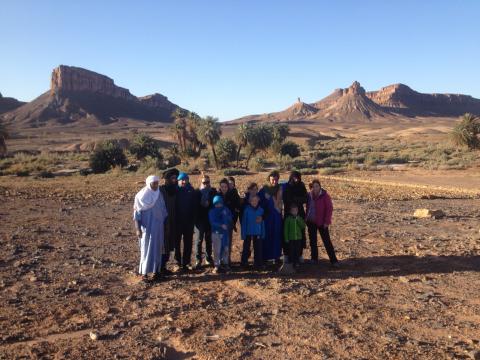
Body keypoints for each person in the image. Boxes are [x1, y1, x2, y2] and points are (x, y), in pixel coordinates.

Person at [133, 175, 168, 282]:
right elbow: (136, 213)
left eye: (157, 183)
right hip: (146, 229)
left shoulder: (159, 195)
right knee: (146, 250)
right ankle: (144, 274)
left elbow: (163, 210)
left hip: (158, 229)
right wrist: (137, 229)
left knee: (157, 249)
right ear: (149, 184)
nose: (156, 185)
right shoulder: (141, 196)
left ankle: (156, 272)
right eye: (154, 183)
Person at [305, 179, 339, 267]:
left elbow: (329, 209)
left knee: (327, 241)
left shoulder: (325, 196)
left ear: (320, 186)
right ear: (311, 187)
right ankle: (314, 259)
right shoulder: (309, 195)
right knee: (313, 241)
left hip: (322, 222)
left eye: (317, 186)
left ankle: (334, 260)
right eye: (313, 186)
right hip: (311, 221)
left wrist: (327, 222)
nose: (315, 188)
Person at [175, 172, 198, 271]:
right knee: (177, 243)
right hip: (178, 222)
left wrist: (193, 220)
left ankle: (186, 263)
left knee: (188, 243)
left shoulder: (191, 190)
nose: (184, 181)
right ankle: (177, 263)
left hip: (188, 222)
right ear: (178, 181)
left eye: (186, 179)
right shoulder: (175, 190)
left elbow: (195, 206)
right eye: (182, 180)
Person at [258, 170, 283, 263]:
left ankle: (276, 256)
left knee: (277, 235)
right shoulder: (264, 189)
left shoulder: (281, 188)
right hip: (267, 217)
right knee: (267, 236)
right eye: (273, 179)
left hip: (277, 216)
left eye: (276, 179)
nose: (274, 181)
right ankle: (266, 257)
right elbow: (258, 202)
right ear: (269, 179)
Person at [283, 171, 308, 261]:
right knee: (287, 232)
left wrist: (294, 199)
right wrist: (297, 200)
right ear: (291, 177)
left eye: (297, 177)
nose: (296, 179)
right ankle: (286, 254)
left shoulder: (301, 185)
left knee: (300, 233)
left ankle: (299, 254)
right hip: (288, 213)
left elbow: (305, 198)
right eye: (294, 177)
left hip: (300, 213)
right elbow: (286, 199)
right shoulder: (287, 186)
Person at [159, 168, 180, 275]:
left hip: (173, 221)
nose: (174, 180)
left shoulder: (176, 190)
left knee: (170, 245)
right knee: (162, 245)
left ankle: (163, 267)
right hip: (162, 222)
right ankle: (159, 267)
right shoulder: (160, 190)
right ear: (167, 179)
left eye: (176, 178)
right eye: (172, 178)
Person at [194, 174, 216, 268]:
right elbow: (194, 206)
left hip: (209, 219)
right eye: (204, 182)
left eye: (208, 182)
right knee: (199, 240)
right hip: (199, 219)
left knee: (208, 239)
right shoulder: (197, 192)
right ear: (201, 183)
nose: (206, 184)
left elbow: (216, 204)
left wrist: (209, 203)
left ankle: (208, 258)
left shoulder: (213, 192)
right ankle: (198, 259)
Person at [218, 178, 241, 264]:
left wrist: (232, 221)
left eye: (225, 186)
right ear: (220, 187)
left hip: (228, 222)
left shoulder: (232, 196)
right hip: (219, 223)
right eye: (222, 186)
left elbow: (236, 209)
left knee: (227, 241)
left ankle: (227, 260)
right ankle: (219, 260)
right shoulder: (217, 196)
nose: (224, 188)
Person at [209, 195, 233, 273]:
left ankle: (225, 263)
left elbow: (230, 217)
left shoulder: (226, 209)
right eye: (216, 203)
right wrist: (221, 225)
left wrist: (228, 220)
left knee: (225, 248)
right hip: (216, 233)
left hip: (225, 233)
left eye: (219, 203)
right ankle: (217, 265)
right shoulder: (212, 211)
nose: (218, 205)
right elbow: (212, 222)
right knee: (217, 250)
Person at [240, 194, 265, 268]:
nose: (254, 202)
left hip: (258, 232)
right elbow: (244, 222)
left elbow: (262, 223)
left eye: (256, 200)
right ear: (250, 201)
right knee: (246, 248)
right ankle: (244, 262)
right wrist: (243, 233)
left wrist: (263, 233)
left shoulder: (261, 210)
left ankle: (258, 263)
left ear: (258, 201)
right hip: (248, 232)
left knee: (258, 248)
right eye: (252, 201)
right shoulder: (246, 210)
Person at [283, 203, 306, 270]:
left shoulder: (299, 218)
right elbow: (286, 229)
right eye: (293, 211)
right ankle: (291, 263)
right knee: (291, 251)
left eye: (295, 211)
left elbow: (303, 226)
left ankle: (296, 262)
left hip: (298, 238)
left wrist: (298, 219)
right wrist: (286, 238)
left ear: (297, 211)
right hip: (291, 238)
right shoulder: (288, 219)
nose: (294, 212)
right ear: (290, 211)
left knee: (297, 251)